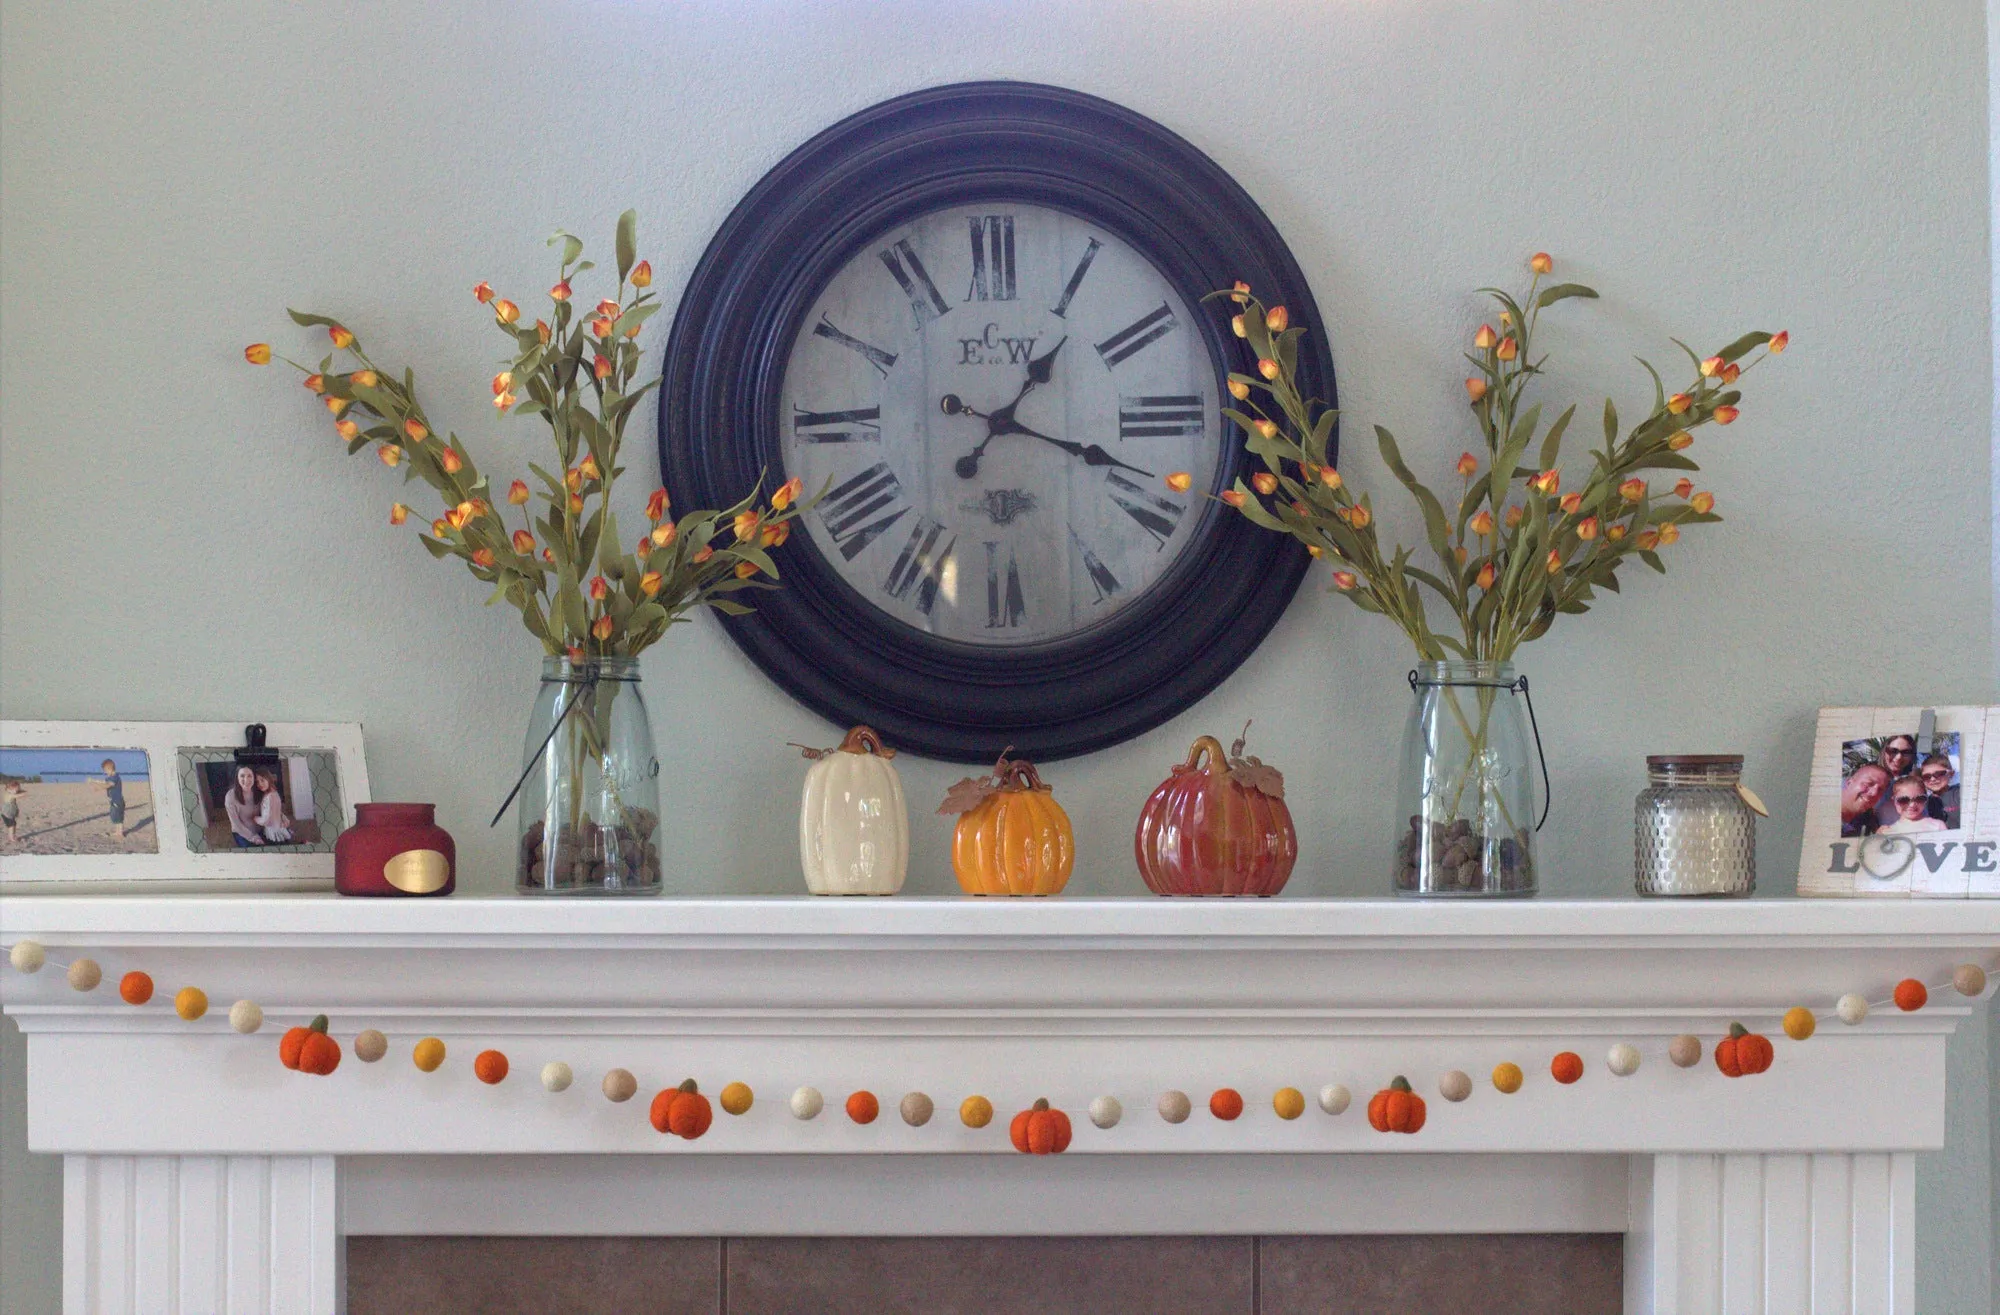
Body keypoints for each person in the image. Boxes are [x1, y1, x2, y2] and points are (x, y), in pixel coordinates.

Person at [1872, 735, 1919, 828]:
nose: (1898, 757)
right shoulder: (1869, 778)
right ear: (1884, 752)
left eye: (1906, 752)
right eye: (1893, 751)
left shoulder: (1916, 781)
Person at [1879, 777, 1946, 835]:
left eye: (1919, 799)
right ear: (1894, 800)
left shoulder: (1937, 826)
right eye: (1903, 800)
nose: (1912, 804)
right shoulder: (1887, 832)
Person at [1841, 762, 1890, 836]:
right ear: (1849, 783)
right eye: (1868, 784)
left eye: (1880, 789)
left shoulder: (1869, 819)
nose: (1874, 793)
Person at [224, 764, 266, 847]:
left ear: (254, 777)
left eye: (249, 776)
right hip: (242, 833)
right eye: (242, 776)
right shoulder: (230, 796)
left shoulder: (260, 789)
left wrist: (281, 818)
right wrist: (253, 838)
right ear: (237, 778)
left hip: (261, 829)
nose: (246, 780)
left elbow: (271, 807)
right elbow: (236, 825)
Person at [1918, 754, 1961, 830]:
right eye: (1926, 776)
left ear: (1951, 774)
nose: (1932, 779)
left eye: (1938, 774)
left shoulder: (1959, 792)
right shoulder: (1923, 803)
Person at [254, 767, 294, 844]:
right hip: (275, 826)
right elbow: (276, 811)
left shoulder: (270, 796)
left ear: (268, 779)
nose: (259, 784)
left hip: (274, 830)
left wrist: (256, 819)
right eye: (257, 782)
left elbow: (267, 820)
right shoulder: (271, 793)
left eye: (262, 780)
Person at [97, 759, 126, 842]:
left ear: (110, 769)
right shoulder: (110, 777)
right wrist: (95, 781)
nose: (106, 773)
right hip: (114, 800)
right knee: (115, 816)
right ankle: (118, 831)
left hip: (117, 800)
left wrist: (99, 788)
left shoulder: (115, 777)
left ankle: (120, 833)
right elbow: (104, 782)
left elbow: (109, 784)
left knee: (117, 816)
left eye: (106, 771)